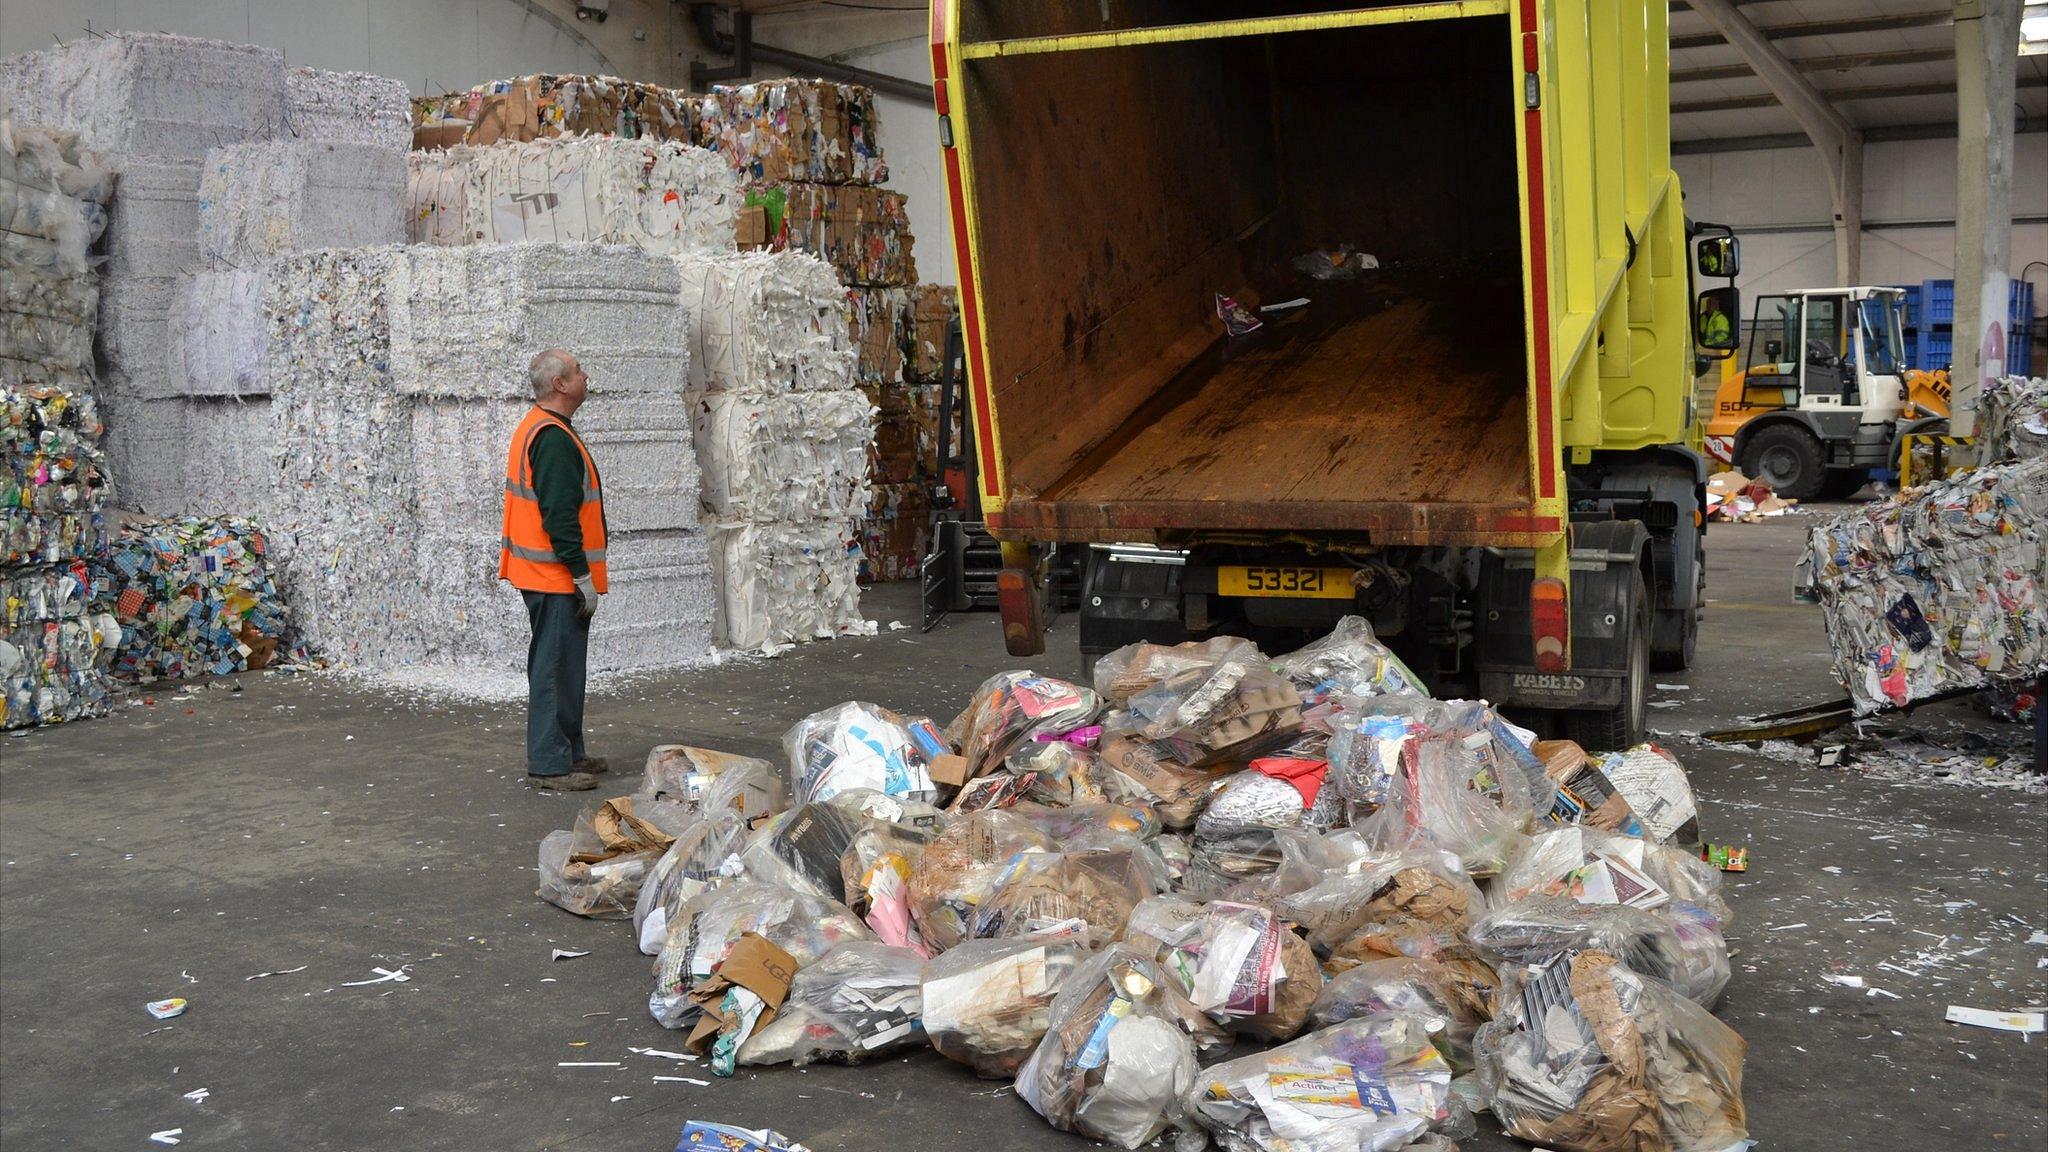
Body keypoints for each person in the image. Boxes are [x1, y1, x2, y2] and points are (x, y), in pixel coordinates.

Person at [501, 349, 610, 791]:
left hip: (547, 574)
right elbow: (560, 516)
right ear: (561, 385)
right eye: (579, 371)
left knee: (565, 666)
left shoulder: (545, 428)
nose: (586, 376)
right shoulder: (551, 437)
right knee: (552, 666)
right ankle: (549, 763)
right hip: (553, 577)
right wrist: (581, 575)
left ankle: (568, 750)